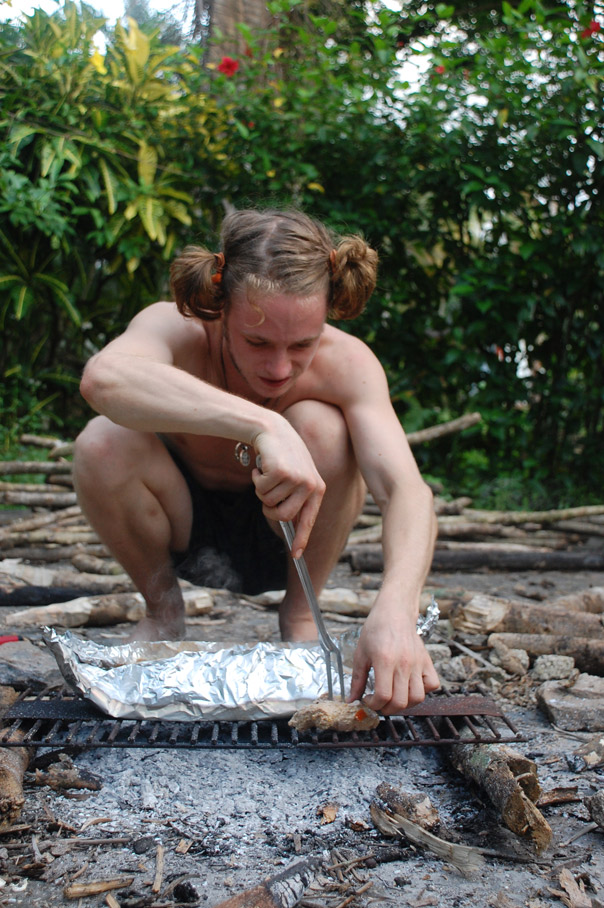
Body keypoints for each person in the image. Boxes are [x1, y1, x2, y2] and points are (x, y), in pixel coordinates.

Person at [73, 208, 439, 714]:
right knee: (102, 441)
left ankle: (301, 619)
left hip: (290, 543)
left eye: (302, 344)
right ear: (219, 306)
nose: (280, 368)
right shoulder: (177, 328)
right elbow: (104, 379)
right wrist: (265, 424)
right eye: (258, 342)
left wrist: (398, 608)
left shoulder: (349, 364)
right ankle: (163, 612)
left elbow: (408, 492)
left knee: (323, 429)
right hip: (185, 532)